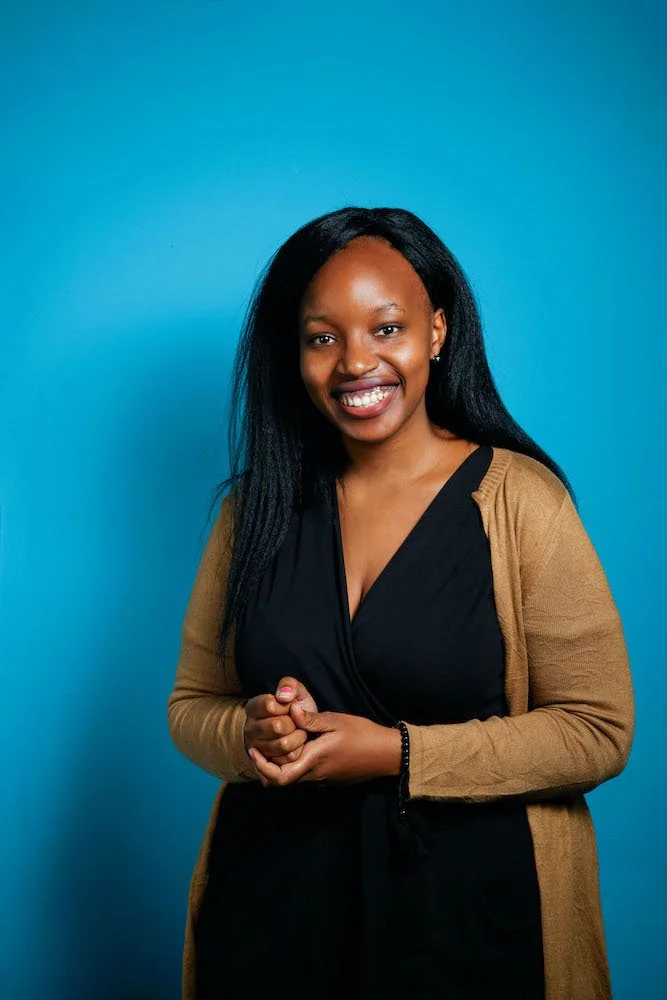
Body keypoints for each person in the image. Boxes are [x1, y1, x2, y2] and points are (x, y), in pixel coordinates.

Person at [167, 207, 635, 1000]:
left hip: (473, 926)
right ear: (293, 352)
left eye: (386, 329)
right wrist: (250, 730)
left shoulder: (520, 502)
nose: (356, 362)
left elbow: (597, 730)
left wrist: (397, 754)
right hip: (273, 920)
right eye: (322, 337)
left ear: (437, 331)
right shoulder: (252, 511)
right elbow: (191, 707)